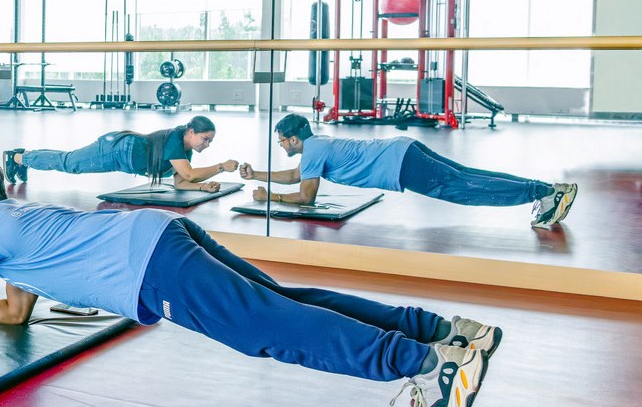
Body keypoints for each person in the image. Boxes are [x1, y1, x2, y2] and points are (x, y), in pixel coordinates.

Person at [0, 156, 502, 407]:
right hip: (159, 233)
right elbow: (13, 313)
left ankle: (427, 367)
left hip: (150, 269)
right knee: (280, 300)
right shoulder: (15, 230)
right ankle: (441, 331)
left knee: (267, 327)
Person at [239, 114, 576, 227]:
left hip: (400, 165)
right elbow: (297, 176)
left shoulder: (312, 150)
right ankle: (545, 189)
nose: (282, 146)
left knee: (465, 190)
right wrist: (256, 175)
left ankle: (546, 194)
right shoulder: (316, 147)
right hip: (404, 150)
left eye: (282, 141)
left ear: (294, 138)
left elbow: (304, 195)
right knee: (468, 176)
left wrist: (269, 196)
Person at [2, 115, 238, 190]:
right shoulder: (176, 141)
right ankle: (17, 157)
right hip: (116, 150)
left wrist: (202, 187)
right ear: (190, 131)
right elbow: (188, 175)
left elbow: (181, 183)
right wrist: (220, 167)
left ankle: (25, 156)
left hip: (121, 153)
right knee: (69, 163)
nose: (206, 144)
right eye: (204, 139)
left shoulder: (184, 150)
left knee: (69, 159)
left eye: (209, 141)